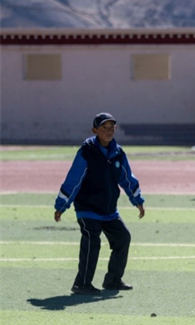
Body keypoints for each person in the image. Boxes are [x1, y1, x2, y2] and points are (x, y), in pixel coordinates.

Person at [54, 113, 145, 295]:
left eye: (112, 127)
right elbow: (73, 180)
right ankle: (82, 283)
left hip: (109, 211)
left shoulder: (118, 153)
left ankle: (113, 280)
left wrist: (137, 201)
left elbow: (127, 178)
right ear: (95, 130)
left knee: (122, 238)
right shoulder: (87, 153)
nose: (109, 131)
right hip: (87, 209)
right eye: (104, 128)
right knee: (91, 241)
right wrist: (61, 206)